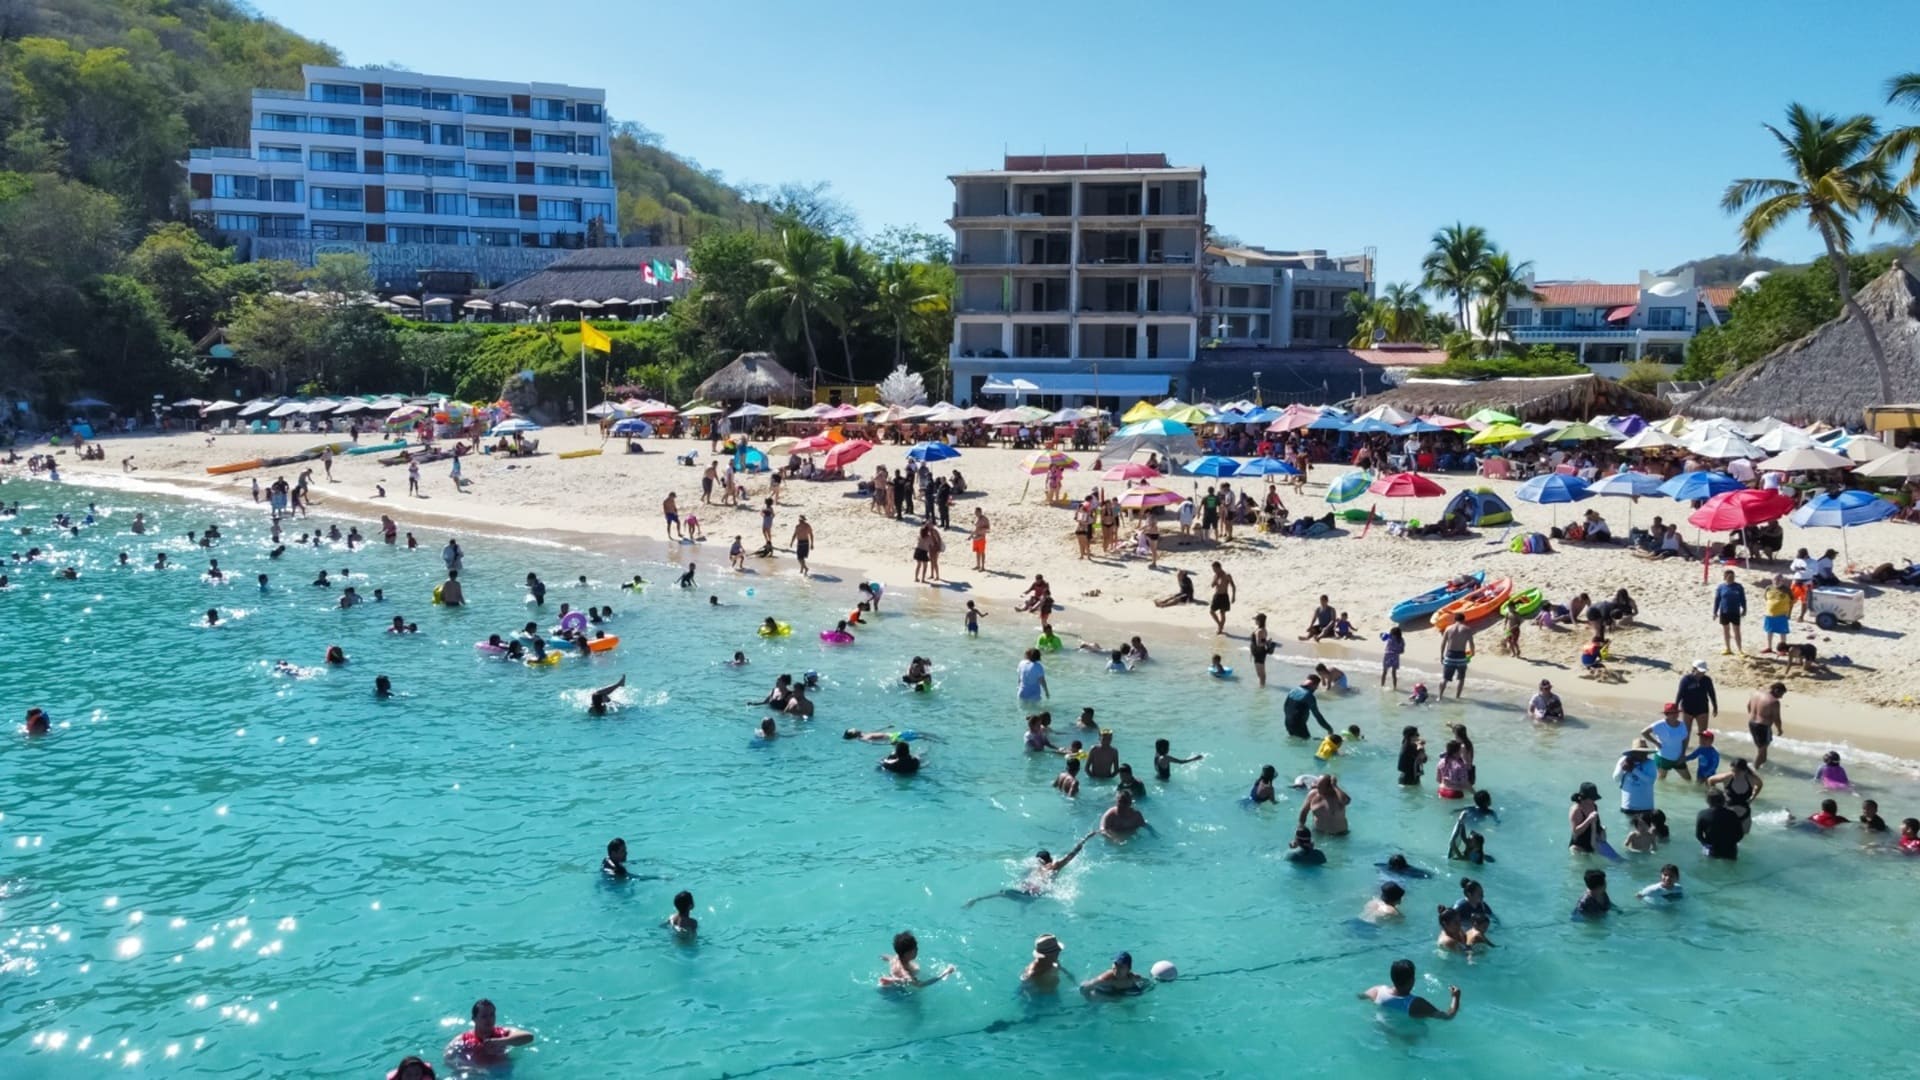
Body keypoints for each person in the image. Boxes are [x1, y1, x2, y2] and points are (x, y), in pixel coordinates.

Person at [966, 832, 1097, 906]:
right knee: (1024, 899)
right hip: (1037, 891)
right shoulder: (1053, 866)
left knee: (1002, 893)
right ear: (1049, 859)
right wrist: (1086, 838)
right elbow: (1071, 854)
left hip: (1027, 887)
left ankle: (977, 900)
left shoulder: (1034, 868)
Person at [1359, 959, 1460, 1021]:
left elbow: (1360, 997)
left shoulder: (1376, 991)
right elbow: (1448, 1016)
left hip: (1382, 1031)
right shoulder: (1416, 1004)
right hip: (1408, 1039)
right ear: (1411, 980)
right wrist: (1455, 997)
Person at [443, 998, 533, 1067]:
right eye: (484, 1016)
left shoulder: (503, 1034)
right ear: (474, 1019)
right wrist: (471, 1069)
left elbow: (529, 1037)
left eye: (492, 1015)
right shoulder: (463, 1040)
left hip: (502, 1072)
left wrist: (502, 1041)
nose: (489, 1019)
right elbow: (447, 1059)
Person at [879, 930, 955, 989]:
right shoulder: (905, 971)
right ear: (907, 954)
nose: (917, 949)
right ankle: (892, 980)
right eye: (915, 948)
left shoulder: (896, 957)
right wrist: (945, 973)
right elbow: (920, 985)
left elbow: (889, 958)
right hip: (896, 991)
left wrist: (883, 957)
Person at [1705, 758, 1763, 834]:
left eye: (1737, 771)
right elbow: (1710, 780)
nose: (1734, 774)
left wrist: (1753, 797)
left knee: (1745, 839)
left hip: (1745, 815)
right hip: (1727, 814)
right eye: (1733, 771)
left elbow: (1760, 785)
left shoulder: (1751, 778)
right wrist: (1717, 794)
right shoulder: (1727, 777)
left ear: (1745, 771)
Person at [1641, 704, 1693, 781]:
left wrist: (1683, 754)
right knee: (1661, 780)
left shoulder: (1682, 725)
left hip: (1678, 758)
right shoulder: (1659, 724)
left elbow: (1685, 740)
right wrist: (1656, 743)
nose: (1675, 715)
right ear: (1666, 714)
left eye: (1676, 712)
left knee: (1688, 779)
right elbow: (1644, 732)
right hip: (1663, 757)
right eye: (1672, 713)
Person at [1745, 682, 1786, 768]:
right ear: (1776, 690)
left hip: (1752, 723)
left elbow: (1748, 706)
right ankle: (1755, 769)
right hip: (1762, 727)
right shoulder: (1774, 701)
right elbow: (1777, 718)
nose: (1781, 697)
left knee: (1763, 746)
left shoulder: (1755, 694)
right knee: (1762, 750)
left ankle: (1762, 762)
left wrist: (1754, 716)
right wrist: (1779, 729)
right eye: (1781, 694)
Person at [1675, 660, 1719, 738]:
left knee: (1703, 734)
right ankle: (1683, 750)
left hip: (1702, 710)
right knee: (1685, 734)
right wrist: (1675, 707)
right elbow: (1680, 694)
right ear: (1694, 669)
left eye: (1704, 671)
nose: (1702, 673)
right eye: (1700, 671)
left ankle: (1702, 749)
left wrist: (1715, 707)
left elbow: (1712, 694)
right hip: (1687, 709)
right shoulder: (1686, 679)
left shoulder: (1707, 680)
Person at [1282, 675, 1333, 739]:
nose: (1316, 688)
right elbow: (1317, 715)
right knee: (1306, 743)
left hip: (1288, 723)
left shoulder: (1293, 690)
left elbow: (1285, 707)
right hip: (1299, 726)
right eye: (1316, 686)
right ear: (1313, 685)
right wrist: (1329, 728)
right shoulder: (1309, 696)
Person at [1081, 951, 1151, 998]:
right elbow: (1085, 988)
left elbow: (1149, 984)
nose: (1117, 969)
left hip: (1126, 992)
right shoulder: (1106, 979)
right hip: (1108, 993)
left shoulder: (1133, 978)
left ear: (1128, 969)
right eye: (1115, 964)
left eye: (1121, 966)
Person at [1696, 790, 1744, 859]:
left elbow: (1698, 835)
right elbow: (1740, 834)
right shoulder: (1732, 814)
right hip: (1729, 849)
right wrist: (1732, 843)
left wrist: (1706, 844)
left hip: (1712, 849)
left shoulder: (1702, 814)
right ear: (1723, 800)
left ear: (1708, 801)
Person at [1615, 743, 1656, 817]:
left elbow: (1650, 781)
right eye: (1641, 753)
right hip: (1628, 807)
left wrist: (1633, 770)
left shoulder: (1650, 763)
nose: (1644, 755)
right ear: (1633, 752)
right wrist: (1622, 769)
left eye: (1645, 752)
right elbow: (1616, 778)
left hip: (1646, 808)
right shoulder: (1623, 760)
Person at [1713, 569, 1747, 655]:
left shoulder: (1738, 587)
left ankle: (1740, 650)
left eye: (1732, 576)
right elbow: (1717, 600)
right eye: (1728, 576)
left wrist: (1744, 609)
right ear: (1725, 577)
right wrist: (1715, 612)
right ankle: (1728, 648)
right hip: (1724, 612)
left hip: (1735, 611)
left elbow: (1743, 599)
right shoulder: (1721, 587)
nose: (1730, 577)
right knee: (1726, 630)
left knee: (1737, 631)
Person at [1438, 619, 1473, 699]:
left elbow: (1443, 643)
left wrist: (1441, 656)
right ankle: (1457, 697)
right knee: (1461, 678)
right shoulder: (1467, 629)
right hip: (1461, 655)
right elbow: (1471, 643)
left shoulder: (1448, 628)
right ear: (1463, 620)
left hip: (1450, 654)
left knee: (1445, 678)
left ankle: (1439, 696)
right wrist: (1472, 653)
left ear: (1454, 620)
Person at [1762, 576, 1794, 652]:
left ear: (1783, 581)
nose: (1777, 581)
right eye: (1775, 580)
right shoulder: (1768, 588)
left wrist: (1789, 613)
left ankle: (1783, 650)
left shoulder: (1787, 590)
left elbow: (1792, 602)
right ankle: (1769, 647)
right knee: (1769, 631)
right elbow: (1766, 598)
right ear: (1772, 580)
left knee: (1782, 632)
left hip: (1782, 615)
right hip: (1769, 614)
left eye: (1779, 580)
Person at [1206, 561, 1236, 633]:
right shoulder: (1216, 575)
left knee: (1222, 613)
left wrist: (1233, 596)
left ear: (1219, 568)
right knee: (1211, 612)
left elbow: (1233, 586)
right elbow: (1212, 586)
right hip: (1217, 595)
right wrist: (1216, 579)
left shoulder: (1227, 575)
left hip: (1224, 596)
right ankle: (1220, 625)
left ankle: (1220, 629)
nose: (1214, 571)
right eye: (1213, 569)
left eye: (1215, 569)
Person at [1248, 613, 1276, 687]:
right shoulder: (1262, 629)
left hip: (1259, 654)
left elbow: (1259, 643)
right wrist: (1266, 642)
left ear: (1259, 621)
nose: (1255, 621)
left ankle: (1261, 689)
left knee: (1261, 675)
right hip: (1259, 653)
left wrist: (1266, 642)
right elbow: (1262, 641)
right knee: (1261, 674)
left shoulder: (1259, 631)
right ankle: (1262, 686)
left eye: (1256, 619)